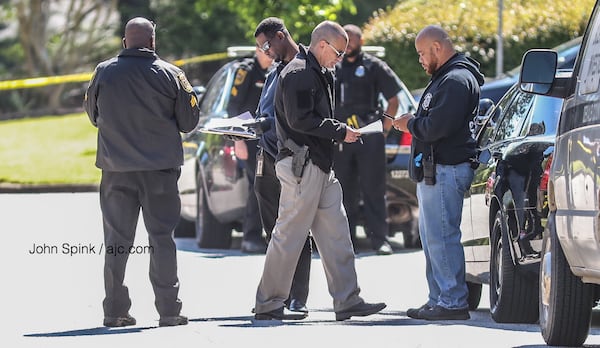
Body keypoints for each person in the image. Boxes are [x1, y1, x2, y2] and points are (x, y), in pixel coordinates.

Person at [253, 20, 386, 321]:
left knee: (337, 235)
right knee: (287, 237)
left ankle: (347, 300)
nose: (340, 58)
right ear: (323, 44)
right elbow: (301, 121)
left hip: (319, 165)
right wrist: (341, 131)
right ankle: (269, 303)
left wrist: (337, 134)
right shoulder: (299, 72)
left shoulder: (316, 71)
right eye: (338, 52)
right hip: (302, 166)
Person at [83, 17, 199, 327]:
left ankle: (115, 310)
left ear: (124, 43)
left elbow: (93, 115)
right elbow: (189, 122)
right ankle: (169, 311)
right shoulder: (172, 75)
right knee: (162, 239)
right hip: (159, 171)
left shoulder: (103, 72)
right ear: (152, 43)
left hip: (116, 170)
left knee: (116, 242)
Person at [392, 25, 483, 321]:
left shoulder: (456, 80)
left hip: (447, 169)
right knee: (433, 239)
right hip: (437, 170)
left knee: (442, 238)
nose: (419, 59)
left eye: (421, 53)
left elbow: (437, 127)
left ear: (437, 47)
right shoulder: (446, 78)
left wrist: (410, 124)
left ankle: (453, 302)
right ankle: (439, 299)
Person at [252, 17, 312, 314]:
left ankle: (298, 296)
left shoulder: (304, 67)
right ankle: (276, 294)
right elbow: (267, 111)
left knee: (296, 230)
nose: (265, 52)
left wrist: (263, 124)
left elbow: (297, 117)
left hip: (292, 158)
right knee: (272, 233)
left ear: (280, 36)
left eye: (266, 45)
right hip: (266, 156)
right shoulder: (275, 69)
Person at [333, 24, 401, 255]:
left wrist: (385, 128)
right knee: (343, 190)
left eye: (352, 40)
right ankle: (347, 241)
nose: (348, 44)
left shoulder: (374, 66)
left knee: (373, 189)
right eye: (345, 40)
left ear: (361, 42)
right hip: (341, 135)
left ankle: (379, 240)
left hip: (368, 135)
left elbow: (393, 99)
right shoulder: (334, 66)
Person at [226, 48, 273, 254]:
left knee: (270, 185)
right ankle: (251, 236)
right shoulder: (246, 71)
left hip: (270, 139)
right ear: (257, 50)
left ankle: (272, 235)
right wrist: (238, 140)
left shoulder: (276, 71)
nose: (270, 54)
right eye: (266, 50)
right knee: (257, 184)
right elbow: (233, 108)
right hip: (249, 140)